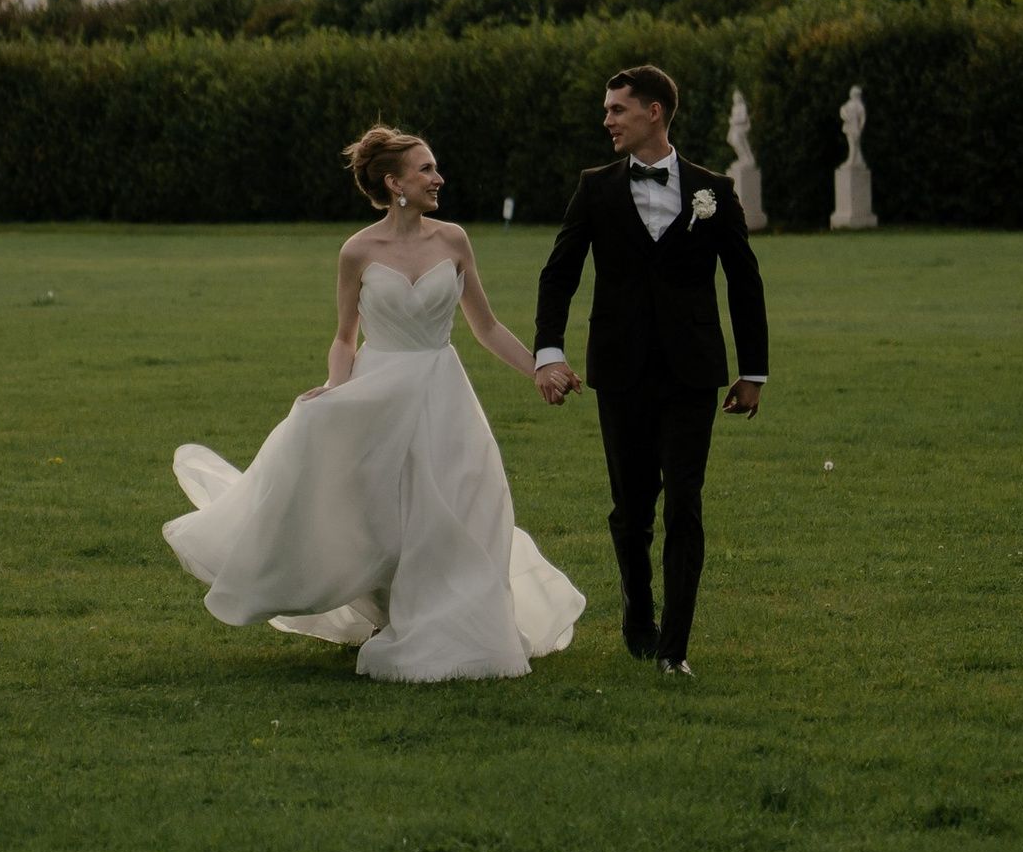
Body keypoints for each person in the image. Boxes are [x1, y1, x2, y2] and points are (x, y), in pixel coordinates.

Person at [164, 125, 585, 683]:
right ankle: (393, 614)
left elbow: (485, 327)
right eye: (427, 169)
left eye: (435, 168)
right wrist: (337, 391)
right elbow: (345, 337)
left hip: (442, 392)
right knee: (381, 513)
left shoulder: (453, 240)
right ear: (395, 183)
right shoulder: (358, 251)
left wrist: (541, 368)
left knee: (462, 504)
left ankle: (461, 621)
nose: (439, 177)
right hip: (379, 391)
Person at [534, 62, 767, 679]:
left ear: (653, 112)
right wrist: (549, 351)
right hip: (619, 369)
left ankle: (675, 648)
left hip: (693, 372)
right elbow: (560, 273)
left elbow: (744, 282)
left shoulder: (713, 189)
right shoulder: (595, 187)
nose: (606, 119)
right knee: (631, 508)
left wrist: (754, 372)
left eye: (617, 109)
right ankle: (639, 612)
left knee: (684, 505)